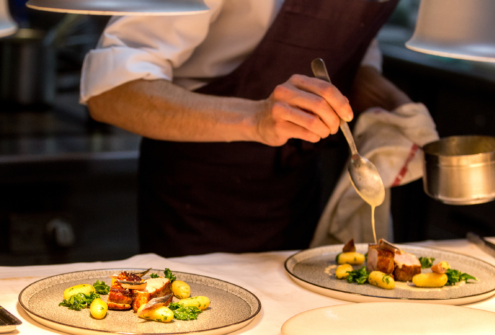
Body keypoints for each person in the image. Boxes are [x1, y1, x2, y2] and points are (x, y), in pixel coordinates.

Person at [81, 0, 412, 257]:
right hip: (199, 206)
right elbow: (112, 92)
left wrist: (403, 114)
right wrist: (255, 118)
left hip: (295, 201)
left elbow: (350, 51)